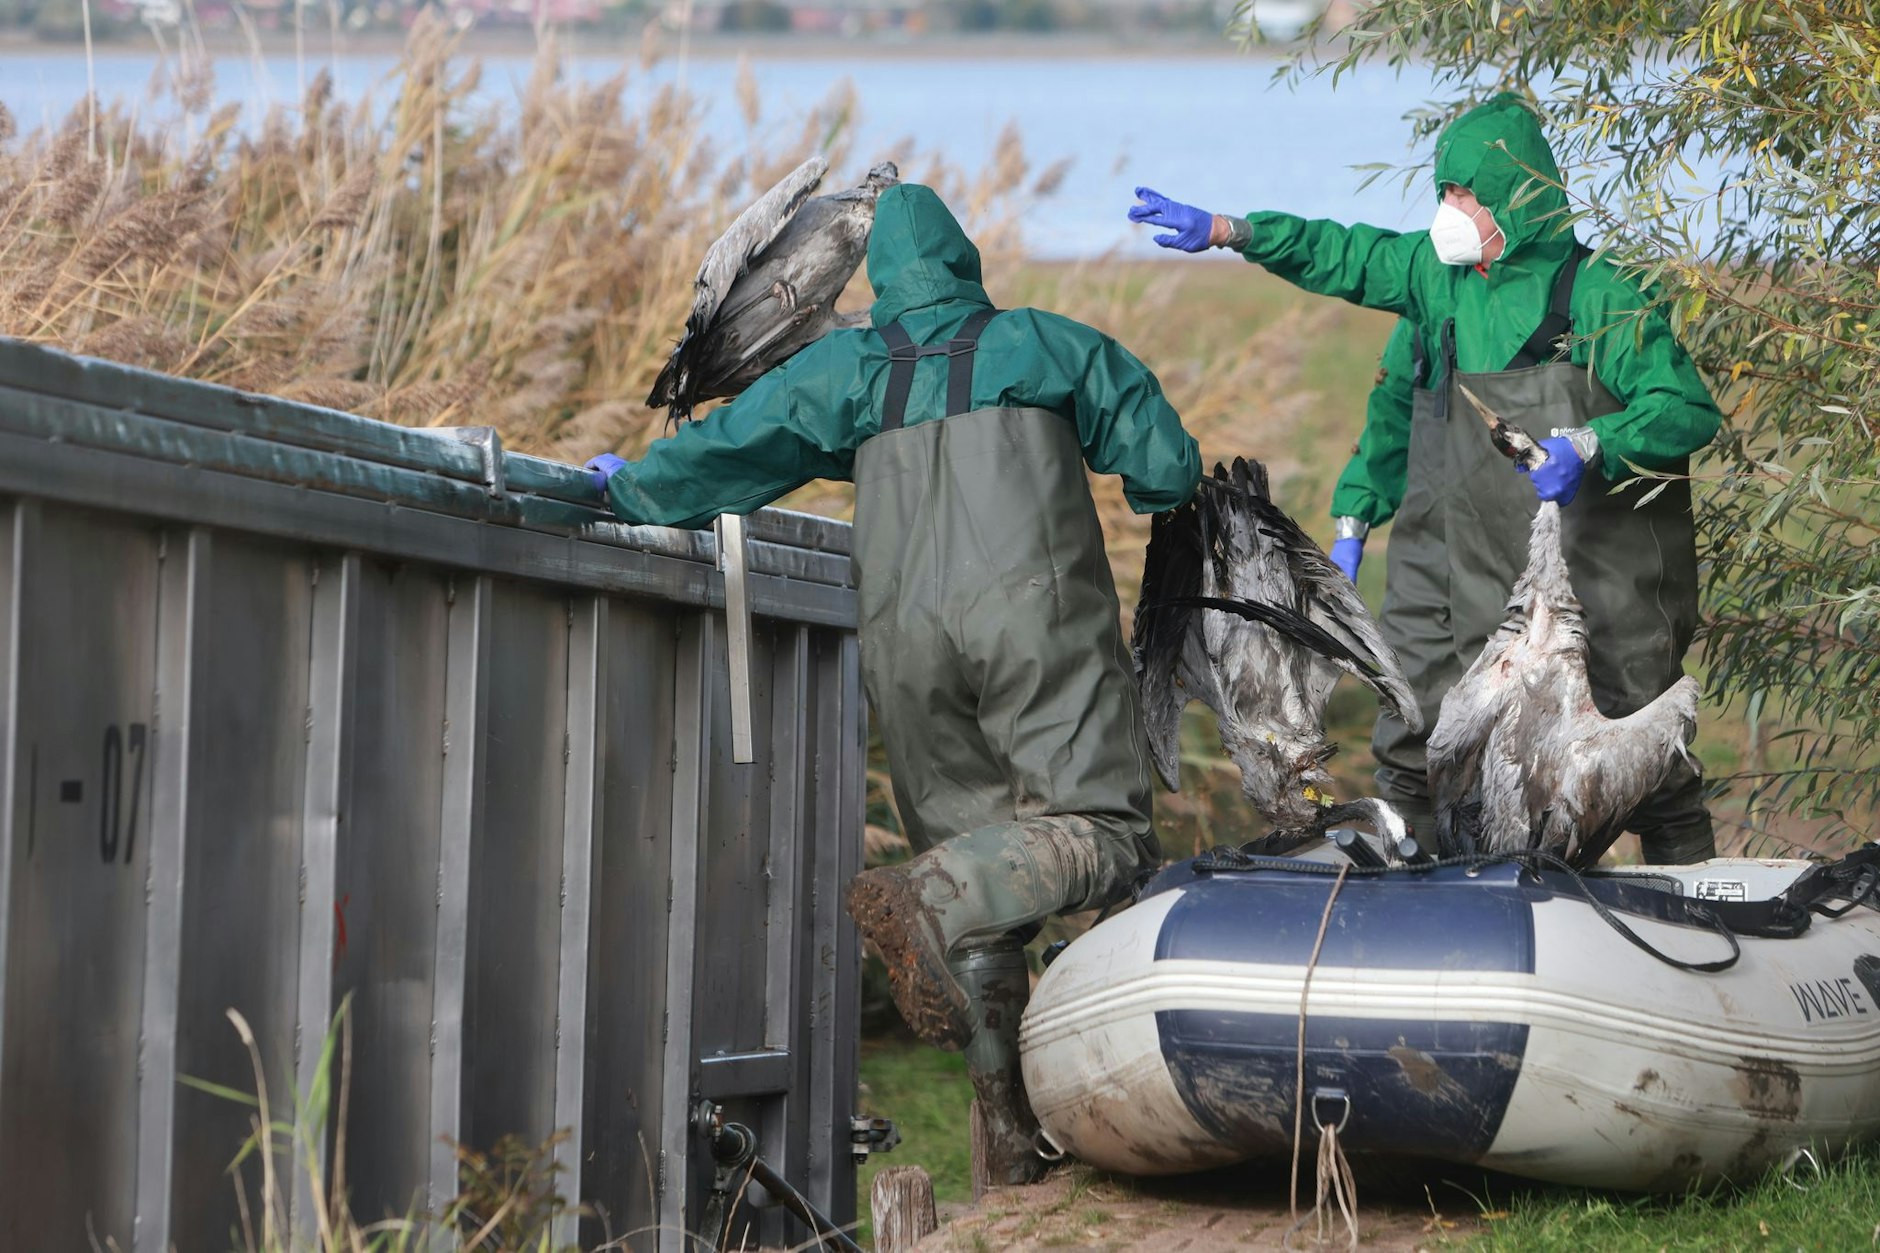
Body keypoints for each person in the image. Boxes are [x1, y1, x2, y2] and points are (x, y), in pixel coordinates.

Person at [588, 182, 1200, 1181]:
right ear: (965, 264)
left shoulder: (848, 366)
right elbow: (1166, 466)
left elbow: (728, 452)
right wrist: (1146, 486)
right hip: (1033, 620)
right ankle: (921, 893)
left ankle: (1008, 1143)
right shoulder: (1046, 344)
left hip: (906, 638)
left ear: (880, 283)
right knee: (1101, 829)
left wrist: (629, 485)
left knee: (980, 906)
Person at [1128, 94, 1719, 865]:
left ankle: (1702, 894)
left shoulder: (1601, 296)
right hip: (1454, 563)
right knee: (1424, 738)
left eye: (1466, 193)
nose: (1450, 209)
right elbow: (1349, 261)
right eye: (1443, 192)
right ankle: (1430, 898)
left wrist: (1593, 441)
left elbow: (1686, 409)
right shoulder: (1435, 288)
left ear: (1519, 194)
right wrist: (1229, 231)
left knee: (1638, 745)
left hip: (1593, 577)